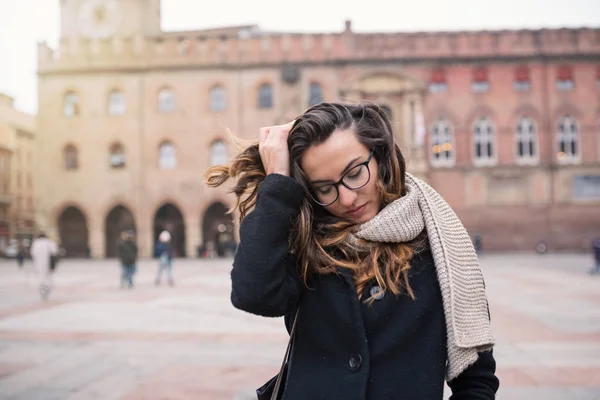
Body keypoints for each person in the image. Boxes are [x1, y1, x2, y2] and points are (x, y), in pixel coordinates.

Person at [204, 102, 499, 399]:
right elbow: (253, 293)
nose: (346, 198)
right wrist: (277, 182)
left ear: (380, 157)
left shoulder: (442, 250)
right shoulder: (308, 247)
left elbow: (476, 382)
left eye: (355, 173)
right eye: (325, 188)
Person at [30, 232, 59, 301]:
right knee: (48, 276)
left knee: (40, 276)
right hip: (48, 263)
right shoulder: (49, 242)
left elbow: (33, 253)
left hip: (38, 263)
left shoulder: (36, 243)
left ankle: (42, 287)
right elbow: (55, 251)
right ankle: (47, 288)